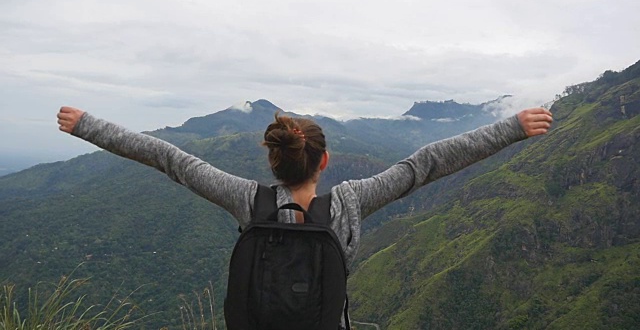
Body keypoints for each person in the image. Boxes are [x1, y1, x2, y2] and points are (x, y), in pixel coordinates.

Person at [57, 104, 553, 328]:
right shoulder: (351, 202)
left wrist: (88, 126)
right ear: (325, 161)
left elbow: (170, 158)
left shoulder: (245, 199)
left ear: (272, 162)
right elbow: (424, 164)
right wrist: (510, 128)